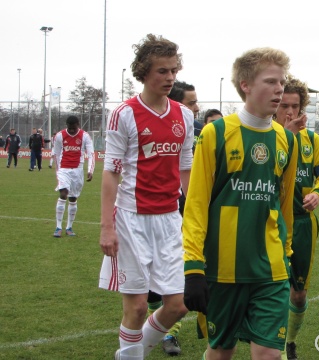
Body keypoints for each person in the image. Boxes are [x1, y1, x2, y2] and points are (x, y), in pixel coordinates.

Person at [181, 47, 298, 360]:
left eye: (282, 83)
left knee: (269, 355)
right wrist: (193, 266)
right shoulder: (215, 134)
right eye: (271, 81)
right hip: (222, 270)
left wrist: (286, 254)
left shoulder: (286, 139)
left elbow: (284, 206)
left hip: (271, 269)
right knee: (221, 352)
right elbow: (196, 204)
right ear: (246, 84)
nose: (279, 89)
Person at [98, 33, 193, 360]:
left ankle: (129, 355)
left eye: (173, 71)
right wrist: (106, 227)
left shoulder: (185, 115)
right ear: (144, 73)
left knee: (178, 306)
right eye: (162, 71)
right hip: (131, 220)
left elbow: (185, 170)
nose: (169, 78)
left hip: (169, 221)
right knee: (137, 308)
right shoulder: (124, 114)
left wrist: (193, 217)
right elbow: (110, 172)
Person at [273, 76, 319, 360]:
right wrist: (284, 136)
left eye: (294, 106)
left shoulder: (313, 141)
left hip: (302, 224)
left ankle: (290, 341)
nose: (289, 112)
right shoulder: (266, 135)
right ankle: (275, 348)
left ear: (302, 108)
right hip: (271, 223)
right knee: (273, 291)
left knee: (298, 295)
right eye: (284, 105)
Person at [144, 79, 201, 356]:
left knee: (180, 284)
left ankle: (169, 334)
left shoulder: (199, 130)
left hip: (183, 212)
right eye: (191, 102)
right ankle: (148, 337)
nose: (197, 108)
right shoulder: (156, 128)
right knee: (153, 288)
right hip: (152, 214)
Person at [51, 117, 95, 237]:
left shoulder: (85, 136)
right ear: (66, 125)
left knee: (73, 199)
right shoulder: (60, 136)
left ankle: (69, 227)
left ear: (78, 125)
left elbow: (91, 154)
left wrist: (90, 170)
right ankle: (58, 227)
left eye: (73, 128)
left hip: (78, 171)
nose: (71, 130)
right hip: (64, 169)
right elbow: (57, 153)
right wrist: (58, 171)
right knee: (63, 193)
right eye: (69, 128)